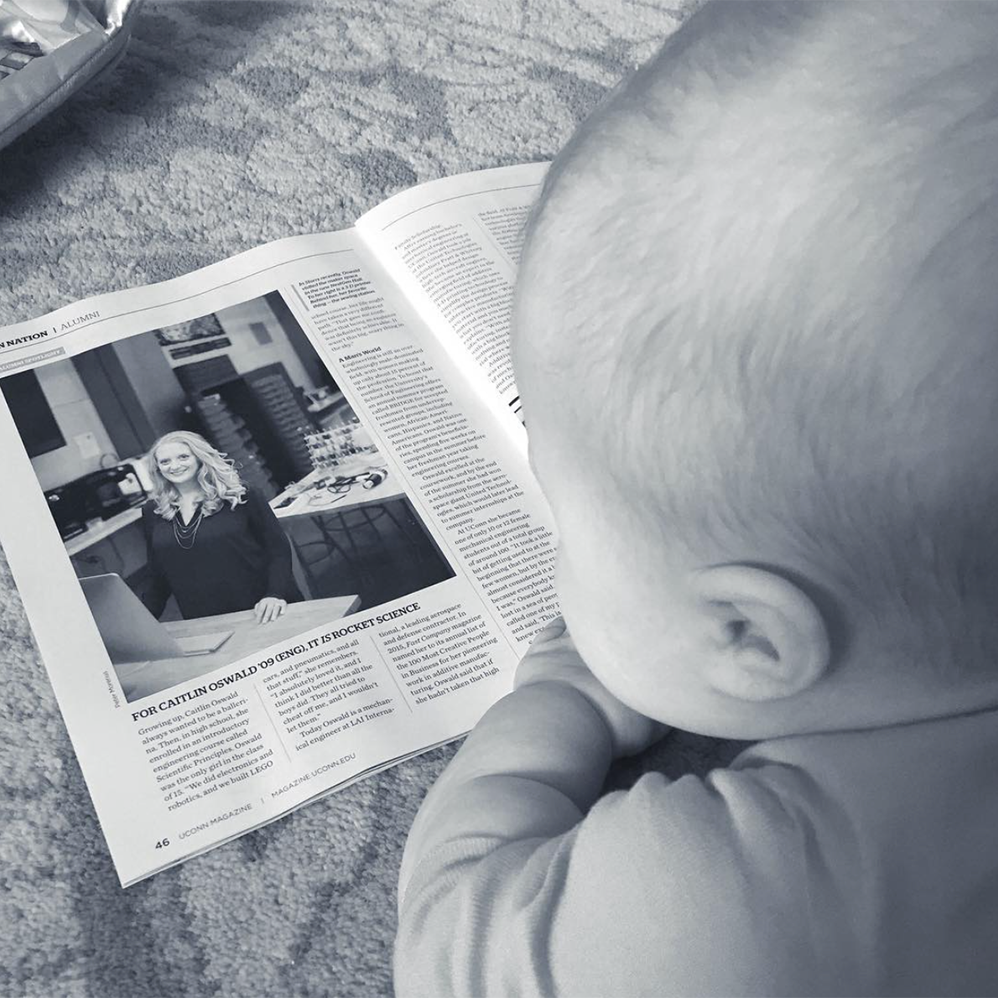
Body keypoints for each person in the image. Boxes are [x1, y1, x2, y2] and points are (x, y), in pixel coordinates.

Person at [393, 0, 998, 994]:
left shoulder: (740, 906)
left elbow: (448, 932)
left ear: (750, 637)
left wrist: (553, 701)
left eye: (564, 524)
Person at [139, 430, 303, 622]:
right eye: (165, 462)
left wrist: (275, 594)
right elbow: (158, 573)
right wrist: (143, 621)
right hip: (204, 616)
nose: (174, 466)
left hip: (262, 609)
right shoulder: (154, 510)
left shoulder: (241, 495)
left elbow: (278, 550)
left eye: (183, 457)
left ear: (200, 458)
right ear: (157, 468)